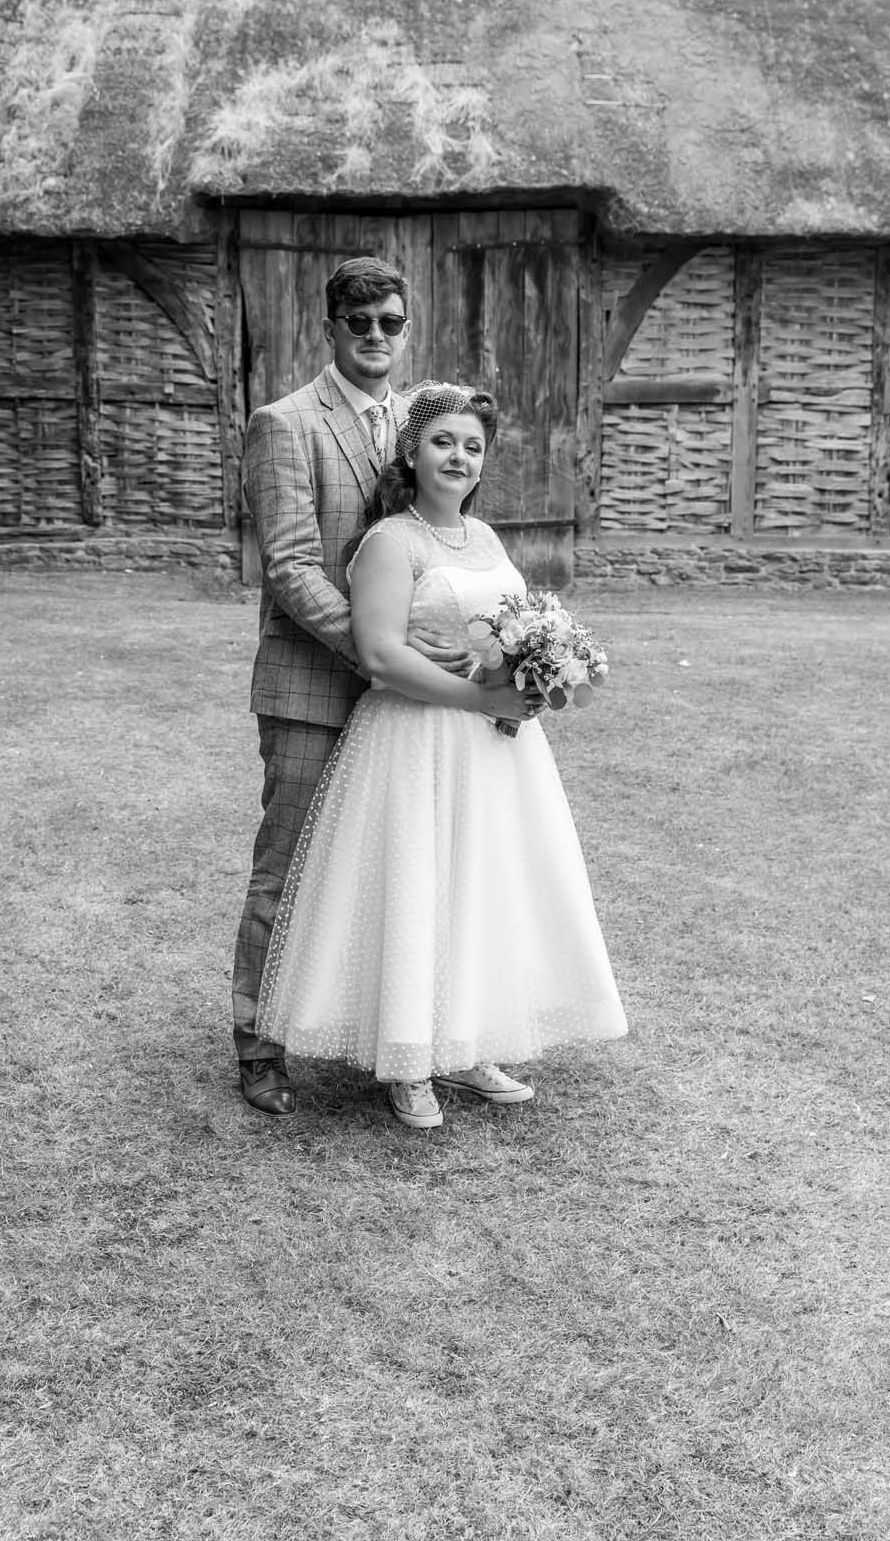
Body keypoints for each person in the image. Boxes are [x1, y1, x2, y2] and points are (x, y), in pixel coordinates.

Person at [255, 381, 628, 1128]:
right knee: (416, 886)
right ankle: (408, 1061)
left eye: (471, 446)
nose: (457, 456)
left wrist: (533, 670)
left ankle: (465, 1043)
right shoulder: (388, 542)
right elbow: (382, 656)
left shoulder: (486, 540)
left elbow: (494, 635)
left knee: (476, 886)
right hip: (413, 740)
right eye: (442, 442)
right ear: (412, 452)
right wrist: (479, 699)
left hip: (489, 753)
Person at [233, 258, 470, 1116]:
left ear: (406, 330)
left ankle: (392, 1033)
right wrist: (377, 650)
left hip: (405, 697)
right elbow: (292, 565)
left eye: (390, 323)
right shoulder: (284, 423)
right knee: (288, 868)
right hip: (312, 682)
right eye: (359, 322)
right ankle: (259, 1043)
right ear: (329, 328)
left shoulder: (424, 421)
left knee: (400, 866)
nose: (376, 336)